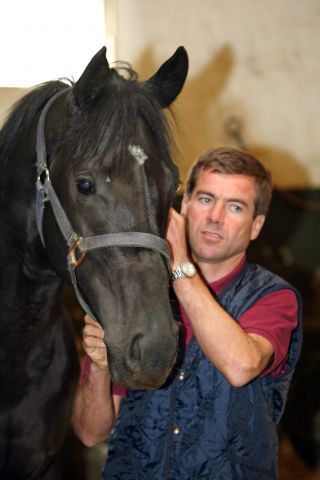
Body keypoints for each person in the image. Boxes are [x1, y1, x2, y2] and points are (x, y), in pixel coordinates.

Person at [72, 147, 302, 479]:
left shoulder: (274, 297)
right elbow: (89, 433)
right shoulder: (136, 297)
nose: (215, 217)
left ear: (256, 226)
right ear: (184, 206)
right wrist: (99, 367)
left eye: (235, 207)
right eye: (206, 199)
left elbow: (241, 366)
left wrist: (180, 266)